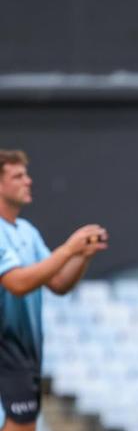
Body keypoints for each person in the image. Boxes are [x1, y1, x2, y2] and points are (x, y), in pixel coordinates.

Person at [0, 150, 108, 431]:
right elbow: (18, 284)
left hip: (25, 353)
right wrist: (68, 249)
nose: (28, 181)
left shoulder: (25, 230)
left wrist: (82, 255)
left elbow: (58, 282)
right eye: (18, 176)